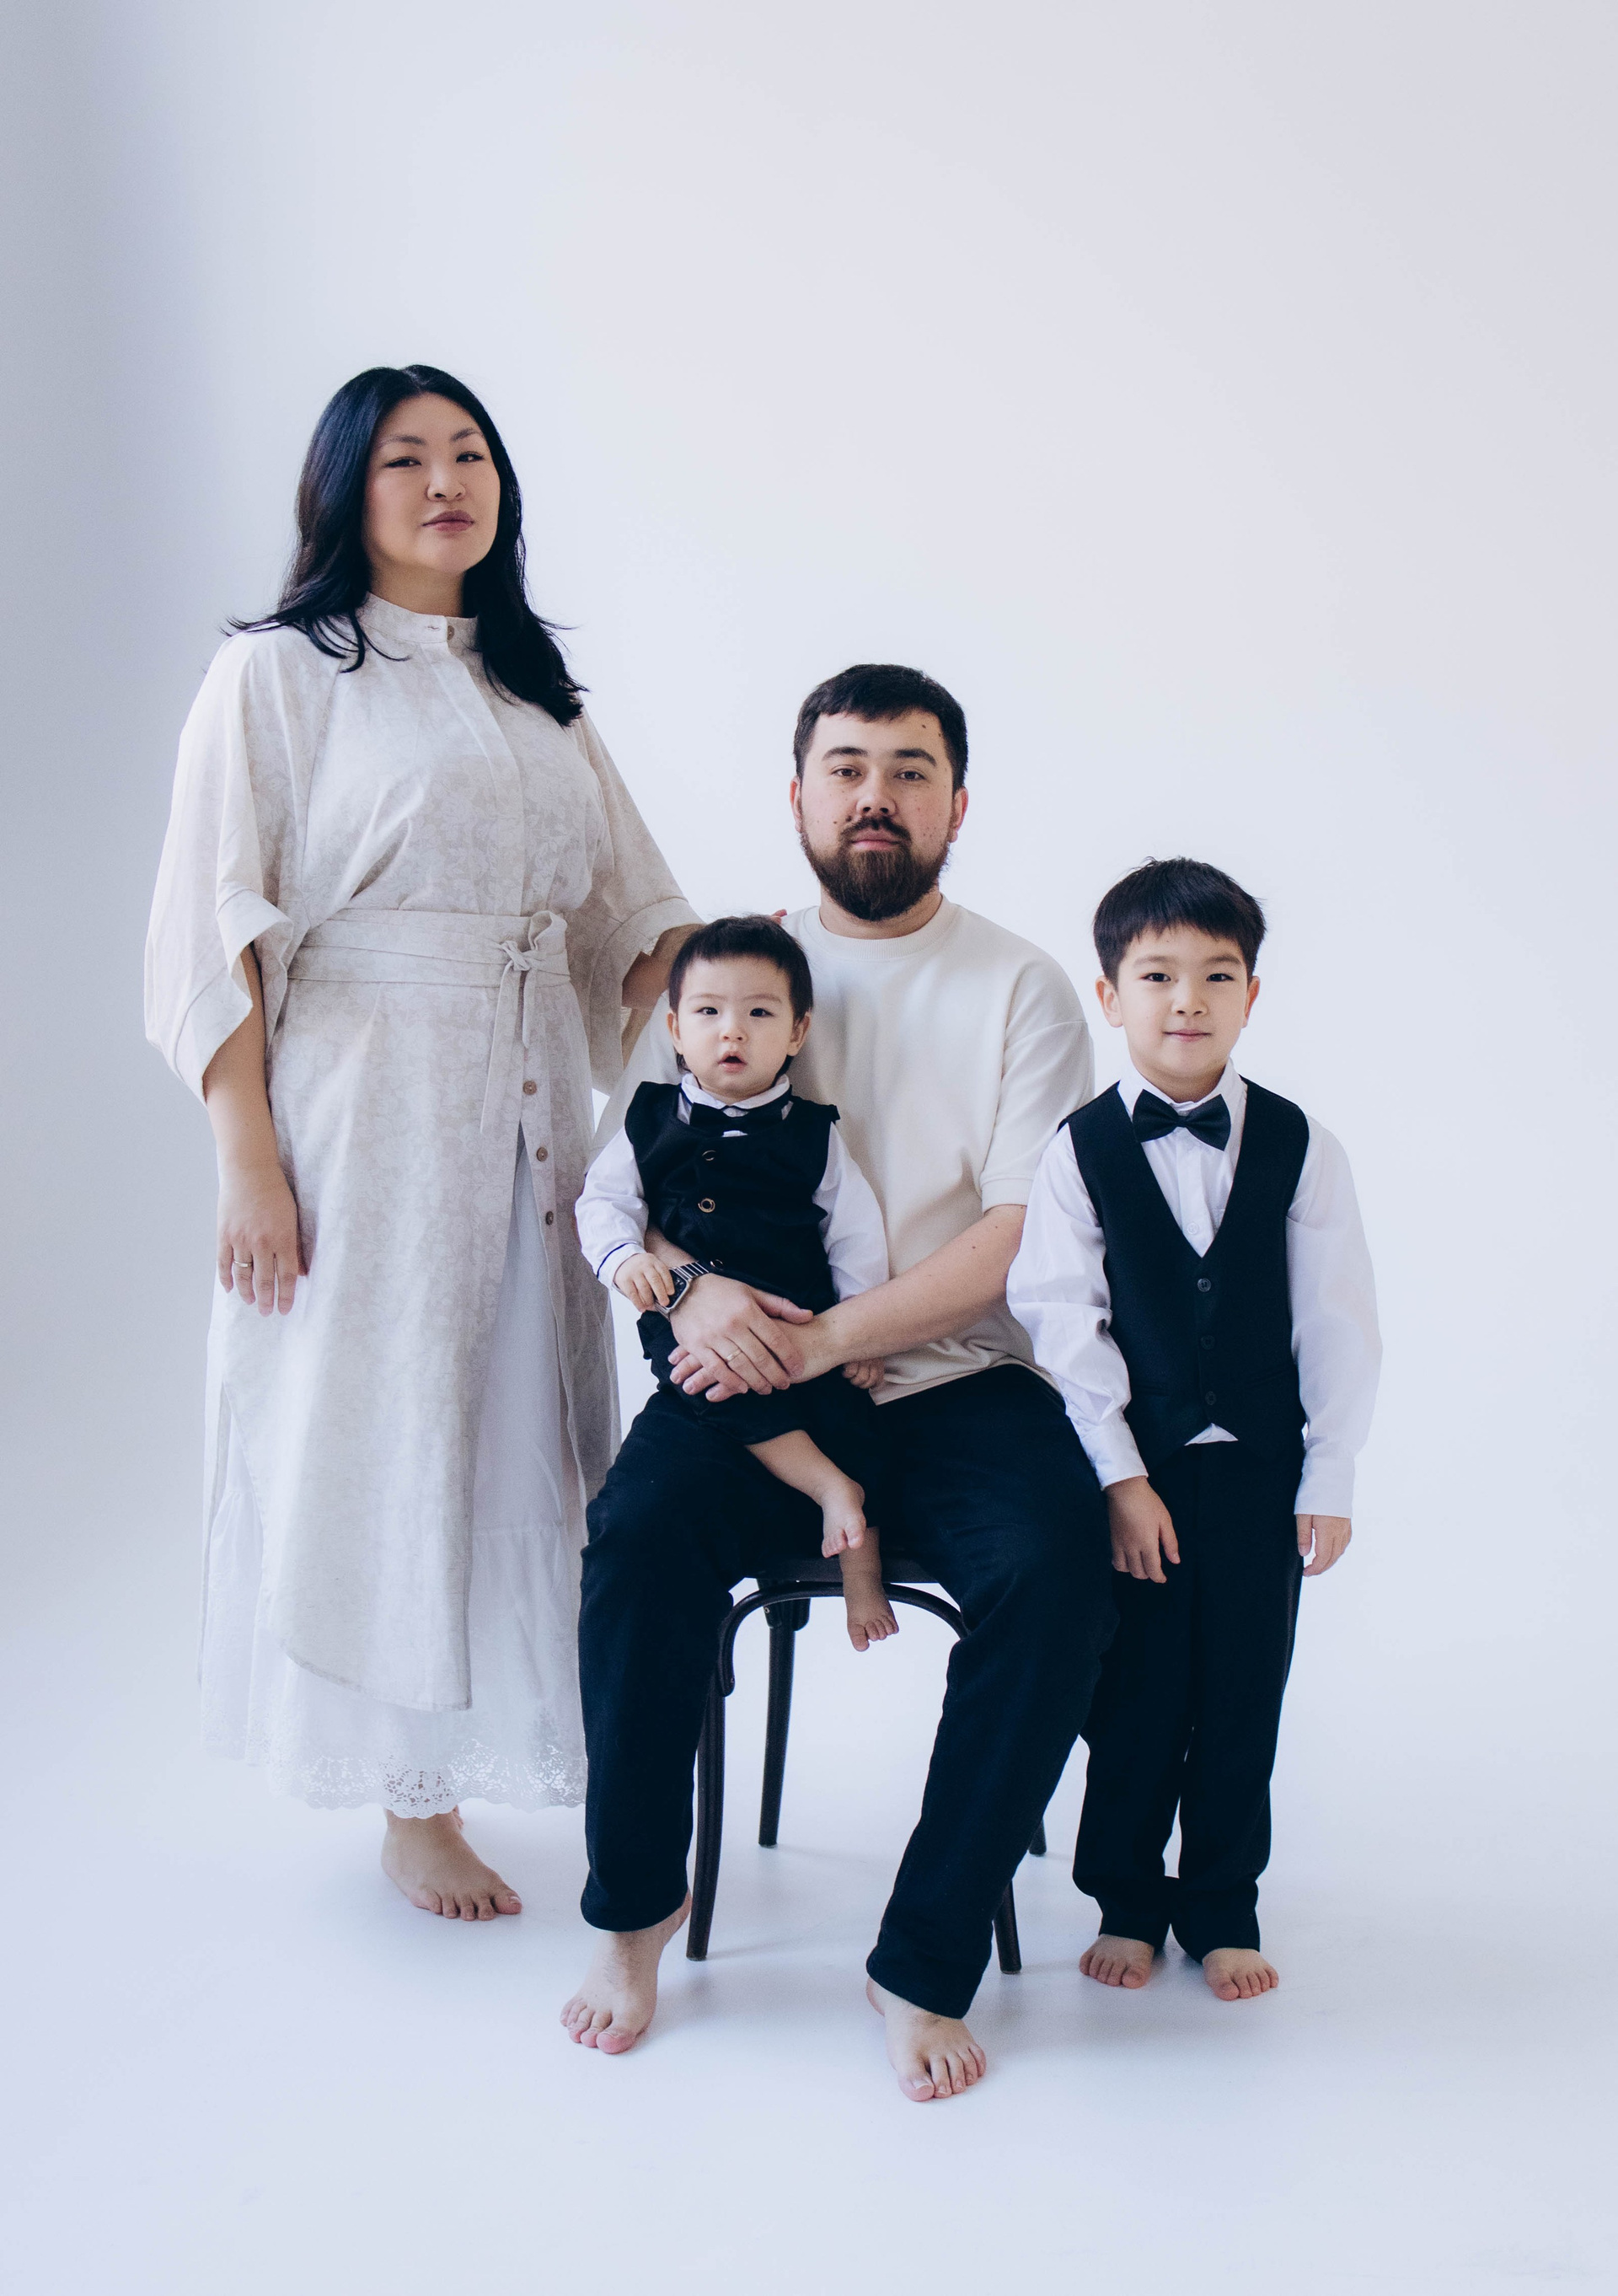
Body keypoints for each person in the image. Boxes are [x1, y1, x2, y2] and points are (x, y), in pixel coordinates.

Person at [145, 364, 696, 1919]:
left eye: (470, 454)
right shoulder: (277, 675)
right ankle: (413, 1802)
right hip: (363, 1113)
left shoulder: (535, 690)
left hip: (530, 1115)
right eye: (406, 457)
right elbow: (209, 928)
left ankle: (507, 1754)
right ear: (345, 487)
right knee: (384, 1425)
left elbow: (633, 914)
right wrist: (249, 1158)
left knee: (518, 1421)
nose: (447, 481)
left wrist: (747, 980)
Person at [560, 663, 1115, 2101]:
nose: (878, 795)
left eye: (911, 770)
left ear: (958, 805)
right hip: (745, 1381)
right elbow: (629, 1182)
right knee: (636, 1541)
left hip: (955, 1377)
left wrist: (830, 1335)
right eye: (848, 767)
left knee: (1057, 1562)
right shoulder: (722, 971)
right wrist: (693, 1289)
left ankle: (921, 1954)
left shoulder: (1019, 985)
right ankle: (635, 1912)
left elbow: (1019, 1232)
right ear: (799, 797)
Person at [1007, 857, 1380, 1998]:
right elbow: (1062, 1323)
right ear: (1110, 995)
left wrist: (1330, 1477)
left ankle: (1223, 1903)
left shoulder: (1302, 1145)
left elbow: (1338, 1321)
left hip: (1261, 1476)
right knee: (1137, 1697)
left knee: (1243, 1695)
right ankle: (1126, 1898)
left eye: (1217, 976)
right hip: (1140, 1476)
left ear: (1251, 996)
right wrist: (1120, 1480)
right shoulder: (1077, 1149)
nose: (1188, 1000)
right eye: (1158, 975)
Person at [576, 913, 898, 1649]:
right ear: (673, 1029)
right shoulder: (647, 1119)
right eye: (708, 1013)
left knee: (857, 1421)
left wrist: (861, 1328)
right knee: (715, 1390)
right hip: (689, 1331)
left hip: (801, 1326)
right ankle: (827, 1487)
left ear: (797, 1031)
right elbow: (600, 1203)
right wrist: (626, 1259)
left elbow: (855, 1232)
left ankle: (861, 1569)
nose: (732, 1032)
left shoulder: (814, 1132)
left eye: (759, 1013)